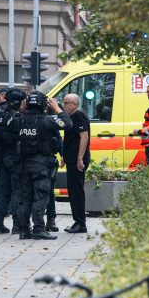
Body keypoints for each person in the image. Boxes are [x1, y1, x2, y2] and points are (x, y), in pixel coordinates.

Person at [14, 91, 72, 240]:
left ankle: (24, 230)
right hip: (41, 165)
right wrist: (58, 108)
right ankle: (39, 229)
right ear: (42, 104)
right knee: (40, 197)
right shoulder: (46, 121)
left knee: (25, 197)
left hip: (23, 164)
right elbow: (68, 124)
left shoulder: (19, 120)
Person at [0, 88, 27, 234]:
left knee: (3, 191)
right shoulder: (16, 115)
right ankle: (17, 224)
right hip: (14, 157)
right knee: (17, 190)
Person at [61, 93, 90, 233]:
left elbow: (84, 136)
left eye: (66, 103)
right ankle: (77, 221)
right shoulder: (70, 117)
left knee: (76, 191)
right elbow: (69, 139)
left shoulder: (79, 115)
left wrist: (80, 158)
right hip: (71, 159)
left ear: (75, 104)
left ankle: (80, 223)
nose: (64, 105)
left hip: (77, 160)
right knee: (73, 191)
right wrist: (64, 156)